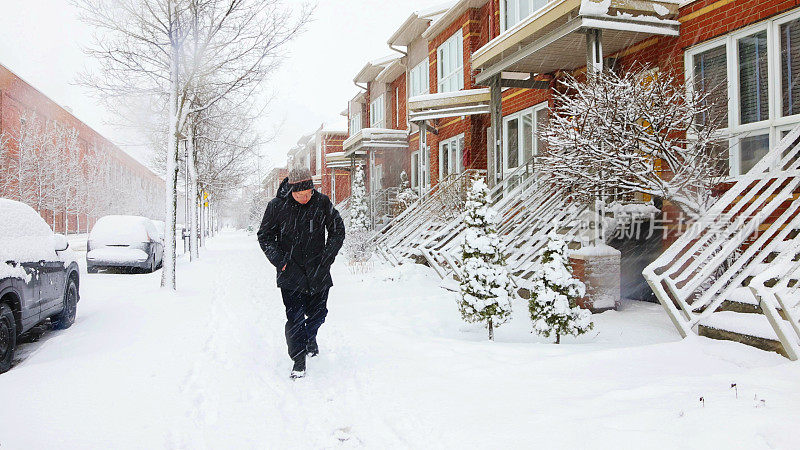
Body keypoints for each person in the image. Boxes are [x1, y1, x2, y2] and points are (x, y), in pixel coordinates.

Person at [257, 167, 345, 379]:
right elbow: (265, 236)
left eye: (308, 194)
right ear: (291, 190)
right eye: (299, 194)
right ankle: (298, 359)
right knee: (295, 318)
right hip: (291, 274)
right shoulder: (276, 206)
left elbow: (338, 231)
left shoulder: (322, 202)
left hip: (318, 271)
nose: (305, 198)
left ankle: (310, 338)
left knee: (319, 314)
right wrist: (280, 261)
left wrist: (327, 257)